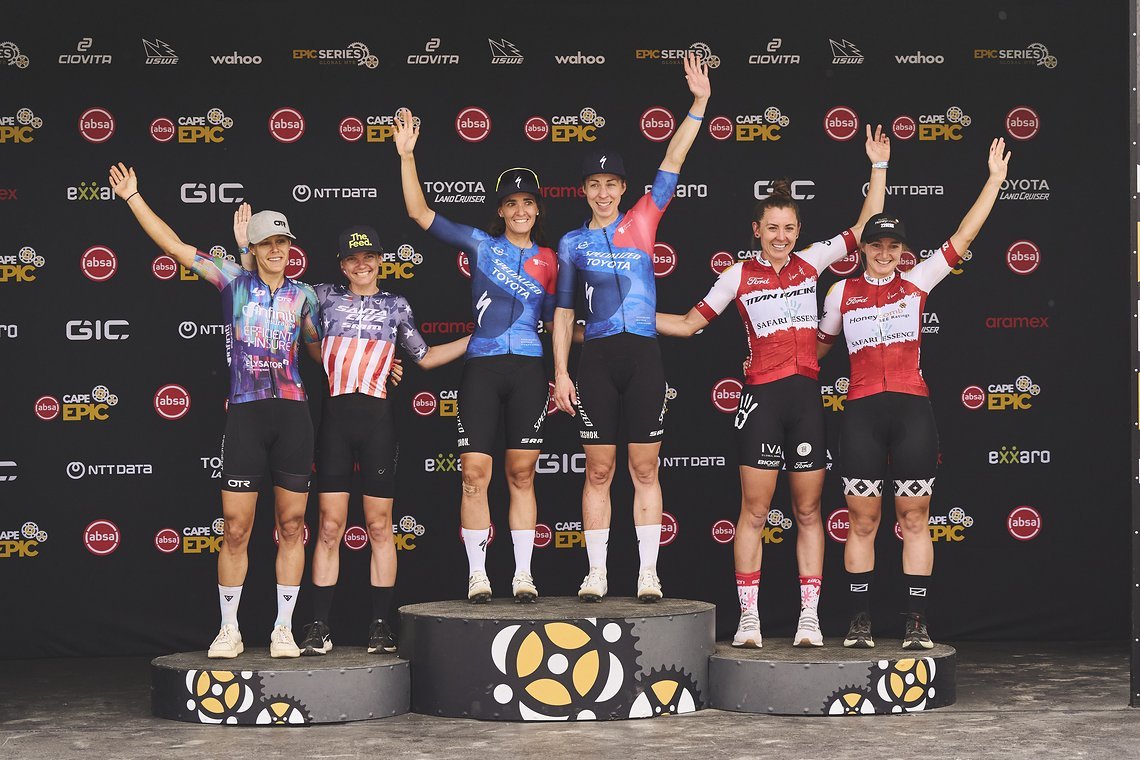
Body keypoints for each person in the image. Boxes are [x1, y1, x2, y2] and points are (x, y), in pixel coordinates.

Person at [655, 126, 889, 645]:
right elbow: (690, 323)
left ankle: (809, 618)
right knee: (754, 511)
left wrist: (878, 166)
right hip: (760, 399)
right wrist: (628, 316)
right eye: (772, 227)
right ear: (756, 230)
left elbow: (864, 225)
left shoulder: (812, 262)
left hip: (805, 400)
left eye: (789, 227)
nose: (781, 235)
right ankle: (749, 620)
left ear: (797, 229)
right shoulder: (737, 275)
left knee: (809, 510)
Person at [108, 163, 321, 659]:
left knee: (291, 526)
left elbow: (318, 352)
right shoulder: (231, 281)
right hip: (246, 415)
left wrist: (379, 366)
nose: (275, 250)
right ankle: (229, 629)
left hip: (293, 416)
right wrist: (134, 197)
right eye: (266, 243)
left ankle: (283, 629)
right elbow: (175, 248)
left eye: (282, 243)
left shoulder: (305, 296)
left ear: (290, 248)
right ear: (253, 247)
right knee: (236, 528)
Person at [233, 209, 468, 655]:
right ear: (342, 264)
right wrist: (246, 249)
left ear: (381, 260)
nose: (362, 263)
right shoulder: (319, 296)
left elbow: (426, 357)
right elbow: (262, 298)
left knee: (380, 526)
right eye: (353, 257)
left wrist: (483, 336)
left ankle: (381, 625)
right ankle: (318, 626)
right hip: (334, 421)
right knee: (329, 527)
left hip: (379, 422)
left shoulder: (397, 306)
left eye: (369, 256)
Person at [817, 138, 1011, 650]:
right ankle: (859, 622)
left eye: (893, 247)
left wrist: (993, 179)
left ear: (903, 251)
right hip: (859, 411)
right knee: (863, 520)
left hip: (912, 412)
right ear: (863, 249)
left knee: (915, 517)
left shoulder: (920, 280)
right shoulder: (840, 293)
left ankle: (916, 624)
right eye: (876, 245)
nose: (884, 253)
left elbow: (964, 234)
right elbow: (813, 351)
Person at [551, 52, 710, 602]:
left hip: (643, 355)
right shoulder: (570, 243)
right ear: (584, 190)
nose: (602, 192)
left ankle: (647, 574)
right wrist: (561, 374)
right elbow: (565, 312)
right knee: (598, 470)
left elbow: (673, 157)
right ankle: (596, 573)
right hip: (594, 359)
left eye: (611, 183)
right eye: (594, 183)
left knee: (645, 467)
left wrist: (700, 103)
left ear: (623, 188)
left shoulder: (644, 218)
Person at [394, 109, 558, 603]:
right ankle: (478, 575)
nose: (521, 210)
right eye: (513, 203)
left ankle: (524, 575)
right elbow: (420, 214)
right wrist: (406, 156)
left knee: (522, 473)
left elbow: (562, 321)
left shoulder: (551, 260)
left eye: (529, 202)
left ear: (536, 209)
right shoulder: (480, 245)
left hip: (529, 366)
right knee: (473, 474)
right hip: (482, 368)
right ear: (502, 211)